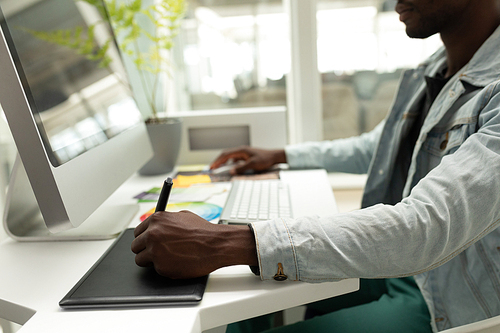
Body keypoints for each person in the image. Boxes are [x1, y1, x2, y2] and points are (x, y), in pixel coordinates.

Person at [131, 0, 500, 331]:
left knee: (245, 270)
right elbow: (377, 145)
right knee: (242, 308)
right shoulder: (436, 68)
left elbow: (426, 227)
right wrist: (281, 156)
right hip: (399, 264)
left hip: (442, 297)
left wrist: (226, 242)